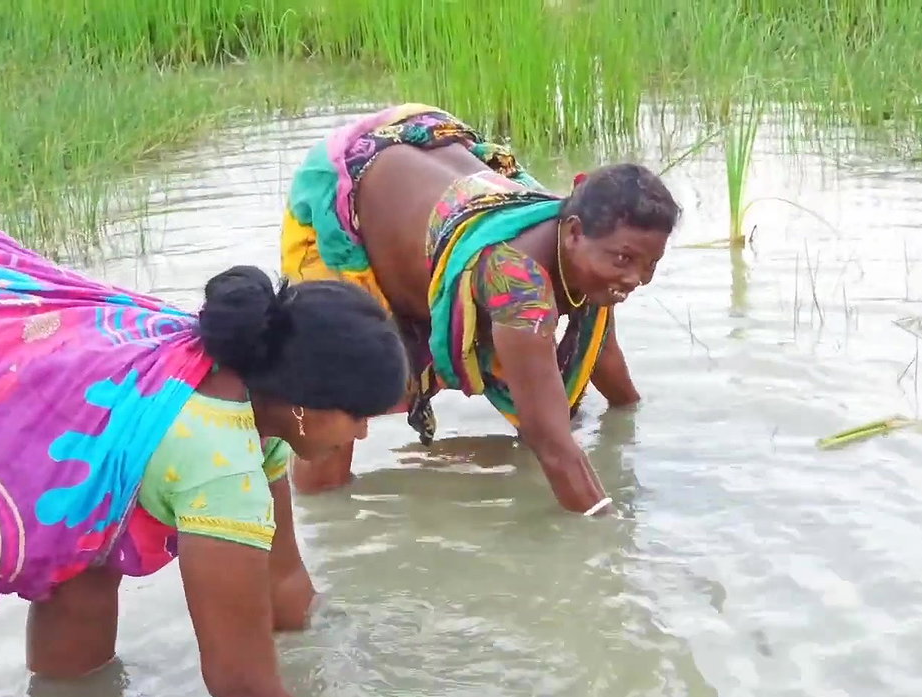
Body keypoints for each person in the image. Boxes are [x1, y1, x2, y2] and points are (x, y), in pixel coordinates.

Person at [0, 221, 407, 697]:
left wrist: (344, 644)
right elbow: (241, 686)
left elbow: (283, 581)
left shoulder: (243, 380)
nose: (361, 433)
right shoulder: (222, 472)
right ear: (305, 404)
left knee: (88, 569)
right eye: (358, 415)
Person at [280, 103, 681, 514]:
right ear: (575, 232)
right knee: (331, 419)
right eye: (624, 259)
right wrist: (609, 534)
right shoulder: (517, 283)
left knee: (556, 410)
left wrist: (629, 424)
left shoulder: (588, 254)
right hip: (353, 191)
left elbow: (601, 355)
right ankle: (317, 520)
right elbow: (554, 446)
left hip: (430, 153)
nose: (636, 278)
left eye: (650, 264)